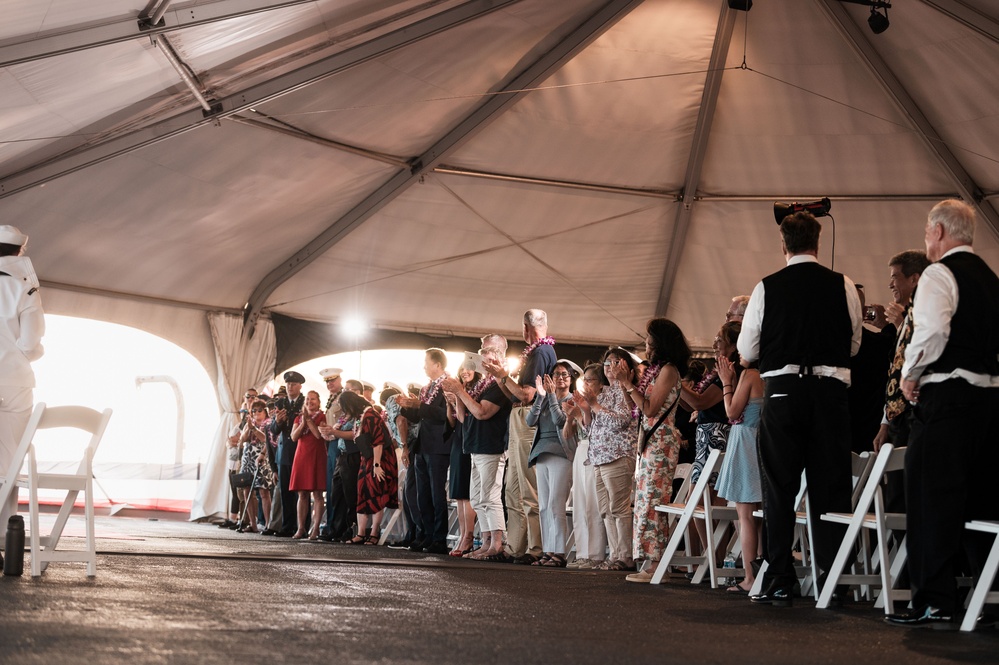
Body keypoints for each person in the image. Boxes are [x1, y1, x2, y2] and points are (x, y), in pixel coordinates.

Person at [738, 210, 862, 607]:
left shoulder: (766, 287)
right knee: (831, 485)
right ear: (818, 242)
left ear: (783, 244)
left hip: (783, 391)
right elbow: (855, 344)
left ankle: (779, 576)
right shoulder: (841, 284)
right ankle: (833, 577)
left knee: (780, 486)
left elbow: (746, 351)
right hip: (829, 392)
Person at [886, 200, 999, 628]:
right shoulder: (992, 279)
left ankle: (934, 599)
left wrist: (911, 373)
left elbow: (932, 330)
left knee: (931, 498)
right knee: (984, 501)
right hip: (989, 401)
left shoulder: (939, 273)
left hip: (948, 397)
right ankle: (988, 597)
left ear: (936, 232)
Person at [614, 319, 689, 583]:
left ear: (660, 343)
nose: (646, 344)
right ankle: (652, 562)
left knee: (654, 502)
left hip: (661, 441)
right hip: (649, 440)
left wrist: (631, 385)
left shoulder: (668, 370)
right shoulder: (656, 371)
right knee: (645, 500)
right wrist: (625, 383)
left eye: (649, 340)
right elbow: (635, 408)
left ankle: (659, 565)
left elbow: (649, 409)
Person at [483, 310, 556, 564]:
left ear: (526, 328)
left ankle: (534, 547)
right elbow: (513, 394)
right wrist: (499, 376)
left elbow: (526, 395)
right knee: (512, 489)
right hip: (518, 417)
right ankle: (515, 545)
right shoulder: (534, 352)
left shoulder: (541, 352)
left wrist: (503, 376)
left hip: (528, 419)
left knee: (528, 487)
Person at [443, 342, 512, 561]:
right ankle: (485, 541)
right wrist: (456, 397)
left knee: (490, 496)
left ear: (498, 361)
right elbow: (464, 418)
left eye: (487, 359)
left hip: (490, 446)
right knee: (477, 497)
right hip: (473, 445)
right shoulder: (480, 385)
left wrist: (460, 391)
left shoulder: (498, 386)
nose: (482, 364)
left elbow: (482, 413)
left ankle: (497, 543)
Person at [571, 351, 638, 571]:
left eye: (614, 362)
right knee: (605, 510)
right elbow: (592, 428)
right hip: (598, 457)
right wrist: (585, 408)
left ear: (625, 366)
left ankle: (626, 556)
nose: (609, 366)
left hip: (617, 454)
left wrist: (594, 405)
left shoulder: (625, 391)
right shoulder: (606, 392)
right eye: (607, 363)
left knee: (618, 508)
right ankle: (615, 555)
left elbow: (621, 421)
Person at [0, 225, 44, 543]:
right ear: (19, 251)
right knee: (8, 464)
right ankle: (4, 537)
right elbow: (30, 344)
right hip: (14, 383)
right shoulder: (26, 286)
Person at [714, 322, 765, 593]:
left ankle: (750, 577)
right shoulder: (769, 374)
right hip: (760, 442)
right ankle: (760, 573)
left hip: (745, 443)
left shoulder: (751, 375)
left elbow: (732, 412)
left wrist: (726, 383)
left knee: (745, 516)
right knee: (757, 517)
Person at [525, 360, 578, 568]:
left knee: (557, 504)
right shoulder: (547, 398)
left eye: (565, 374)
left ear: (571, 378)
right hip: (542, 454)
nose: (561, 378)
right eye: (556, 375)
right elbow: (530, 421)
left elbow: (560, 420)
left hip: (561, 453)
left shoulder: (573, 399)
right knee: (545, 505)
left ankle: (560, 552)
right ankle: (547, 551)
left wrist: (552, 396)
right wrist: (540, 397)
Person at [398, 348, 451, 555]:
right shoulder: (428, 387)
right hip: (422, 443)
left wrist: (419, 405)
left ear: (437, 364)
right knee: (423, 494)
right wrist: (406, 406)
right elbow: (421, 415)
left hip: (438, 445)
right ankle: (426, 534)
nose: (424, 366)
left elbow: (445, 415)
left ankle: (439, 538)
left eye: (426, 362)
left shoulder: (448, 384)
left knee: (437, 494)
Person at [338, 390, 399, 544]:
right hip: (367, 458)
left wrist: (377, 465)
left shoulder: (371, 415)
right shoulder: (361, 416)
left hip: (380, 459)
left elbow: (378, 442)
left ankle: (374, 532)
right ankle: (360, 533)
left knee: (376, 492)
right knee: (362, 492)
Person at [444, 362, 477, 556]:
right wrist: (450, 402)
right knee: (458, 492)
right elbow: (452, 420)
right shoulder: (461, 390)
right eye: (463, 369)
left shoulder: (475, 391)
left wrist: (458, 397)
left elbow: (467, 417)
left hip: (470, 438)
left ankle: (469, 536)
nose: (465, 372)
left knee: (467, 490)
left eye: (470, 368)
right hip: (458, 438)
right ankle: (463, 533)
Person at [271, 371, 305, 537]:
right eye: (288, 384)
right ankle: (287, 526)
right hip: (284, 451)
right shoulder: (280, 402)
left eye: (293, 384)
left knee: (302, 491)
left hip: (301, 449)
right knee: (285, 491)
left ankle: (302, 527)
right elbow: (273, 430)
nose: (290, 387)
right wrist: (278, 422)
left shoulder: (304, 402)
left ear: (300, 386)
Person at [289, 390, 327, 540]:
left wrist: (309, 421)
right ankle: (301, 528)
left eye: (313, 399)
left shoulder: (322, 416)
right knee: (302, 493)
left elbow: (318, 435)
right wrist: (303, 421)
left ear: (318, 401)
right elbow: (293, 437)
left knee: (318, 493)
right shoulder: (299, 418)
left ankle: (315, 529)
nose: (310, 402)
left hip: (316, 455)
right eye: (307, 399)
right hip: (302, 455)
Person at [236, 399, 276, 532]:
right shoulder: (250, 423)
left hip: (261, 457)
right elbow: (242, 440)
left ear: (265, 412)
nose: (256, 413)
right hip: (248, 458)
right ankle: (252, 523)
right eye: (254, 410)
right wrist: (249, 428)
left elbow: (265, 439)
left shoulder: (269, 423)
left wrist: (254, 429)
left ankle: (267, 524)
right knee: (247, 490)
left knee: (263, 491)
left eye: (259, 410)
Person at [317, 367, 343, 541]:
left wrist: (332, 430)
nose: (330, 383)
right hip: (331, 443)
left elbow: (345, 420)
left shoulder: (344, 397)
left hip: (340, 443)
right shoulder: (332, 398)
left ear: (340, 380)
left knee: (337, 487)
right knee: (331, 487)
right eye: (327, 381)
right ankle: (331, 524)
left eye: (332, 380)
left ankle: (336, 527)